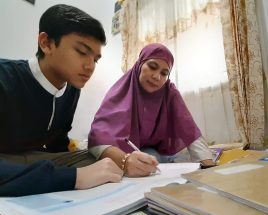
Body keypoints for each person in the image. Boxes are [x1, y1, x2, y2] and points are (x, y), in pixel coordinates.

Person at [0, 4, 158, 197]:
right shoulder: (5, 77)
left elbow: (58, 145)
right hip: (8, 162)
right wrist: (75, 178)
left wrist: (124, 160)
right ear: (46, 43)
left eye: (96, 59)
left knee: (104, 163)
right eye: (82, 52)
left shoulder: (72, 88)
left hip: (37, 161)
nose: (90, 66)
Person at [88, 43, 215, 173]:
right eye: (152, 67)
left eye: (164, 73)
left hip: (151, 151)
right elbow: (98, 138)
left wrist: (208, 166)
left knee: (155, 158)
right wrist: (125, 160)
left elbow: (189, 129)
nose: (157, 77)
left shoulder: (169, 92)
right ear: (140, 64)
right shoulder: (121, 92)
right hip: (123, 151)